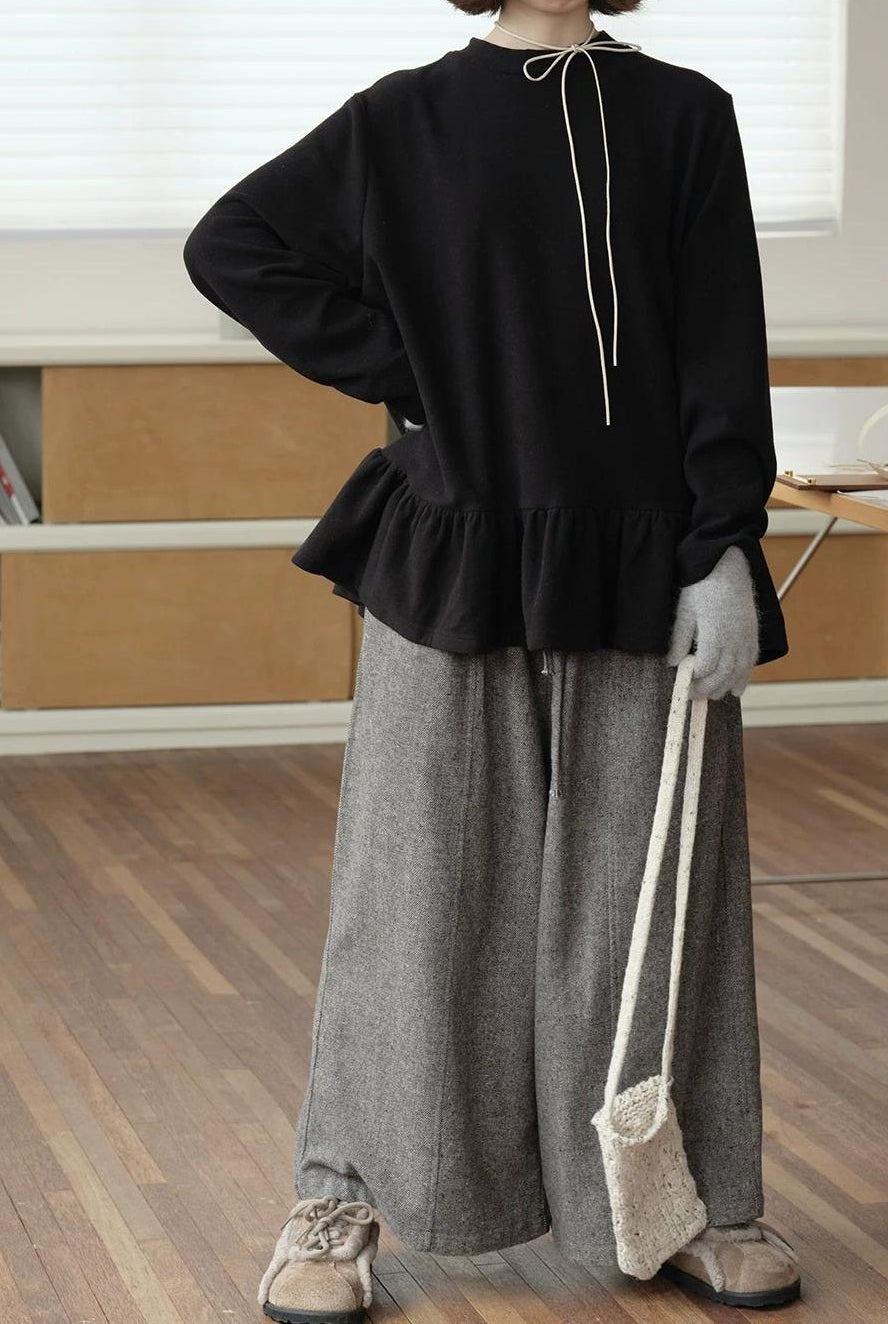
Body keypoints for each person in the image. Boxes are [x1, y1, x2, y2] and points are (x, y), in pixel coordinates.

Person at [182, 1, 796, 1319]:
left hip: (644, 553)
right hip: (456, 541)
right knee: (415, 890)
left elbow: (721, 336)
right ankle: (339, 1197)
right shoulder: (405, 117)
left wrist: (723, 547)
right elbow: (231, 246)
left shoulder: (686, 115)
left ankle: (687, 1198)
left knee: (656, 896)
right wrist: (411, 366)